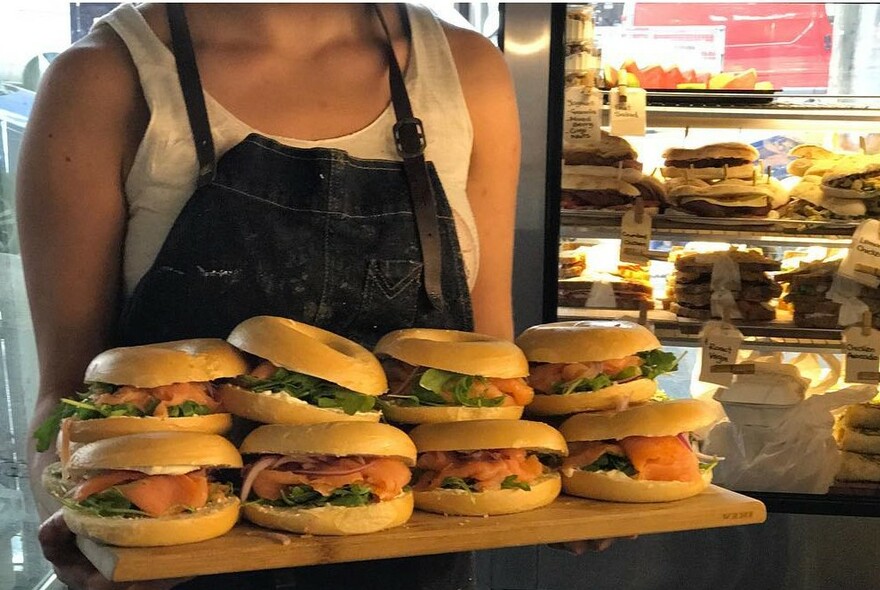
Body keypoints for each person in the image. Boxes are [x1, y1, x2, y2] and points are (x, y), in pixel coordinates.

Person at [18, 3, 520, 589]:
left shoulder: (467, 70)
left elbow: (492, 378)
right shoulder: (103, 77)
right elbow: (67, 397)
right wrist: (89, 538)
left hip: (412, 560)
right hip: (180, 564)